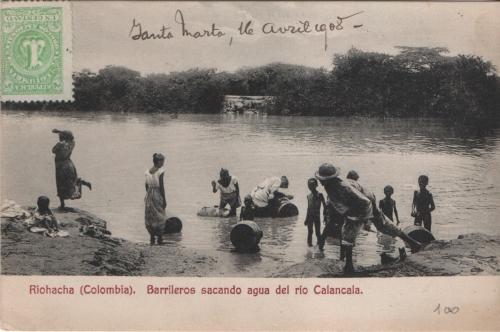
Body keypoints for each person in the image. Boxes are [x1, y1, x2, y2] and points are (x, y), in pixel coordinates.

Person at [315, 163, 422, 274]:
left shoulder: (342, 187)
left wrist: (364, 218)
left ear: (329, 179)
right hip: (364, 199)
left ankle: (349, 266)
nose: (320, 181)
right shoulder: (330, 186)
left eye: (322, 179)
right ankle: (414, 243)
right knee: (383, 225)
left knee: (348, 232)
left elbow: (364, 202)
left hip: (365, 202)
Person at [51, 129, 91, 209]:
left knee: (61, 184)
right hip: (69, 164)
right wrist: (59, 131)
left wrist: (59, 134)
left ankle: (62, 204)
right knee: (69, 182)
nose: (59, 137)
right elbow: (67, 135)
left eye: (60, 136)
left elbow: (53, 150)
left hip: (61, 165)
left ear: (63, 137)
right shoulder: (72, 143)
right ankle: (80, 182)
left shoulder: (60, 144)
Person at [145, 153, 167, 245]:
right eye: (162, 161)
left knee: (151, 215)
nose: (163, 163)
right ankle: (160, 237)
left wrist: (149, 194)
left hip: (149, 194)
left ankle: (152, 237)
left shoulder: (147, 171)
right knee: (160, 215)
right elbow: (162, 186)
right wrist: (164, 199)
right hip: (157, 193)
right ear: (158, 162)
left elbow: (146, 185)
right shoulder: (160, 171)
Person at [304, 178, 326, 247]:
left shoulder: (320, 195)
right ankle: (309, 247)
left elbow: (324, 206)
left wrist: (325, 216)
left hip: (317, 216)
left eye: (312, 185)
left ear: (316, 185)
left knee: (317, 233)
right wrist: (306, 218)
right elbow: (308, 208)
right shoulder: (308, 196)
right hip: (310, 216)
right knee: (310, 232)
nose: (311, 186)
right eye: (309, 185)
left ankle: (320, 247)